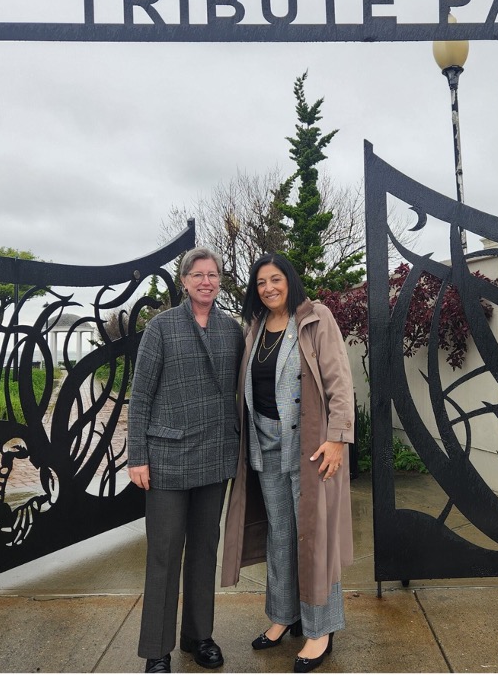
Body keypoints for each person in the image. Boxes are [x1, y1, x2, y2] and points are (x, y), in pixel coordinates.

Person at [220, 253, 355, 674]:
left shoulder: (316, 319)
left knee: (313, 539)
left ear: (289, 280)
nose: (268, 288)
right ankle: (284, 616)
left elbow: (339, 381)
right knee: (281, 535)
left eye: (275, 279)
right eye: (260, 283)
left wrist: (337, 439)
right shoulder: (255, 328)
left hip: (310, 447)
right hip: (264, 446)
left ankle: (321, 630)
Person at [127, 247, 245, 674]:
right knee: (163, 554)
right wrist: (136, 456)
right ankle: (156, 651)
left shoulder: (232, 330)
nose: (206, 282)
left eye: (213, 274)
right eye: (198, 275)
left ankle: (198, 636)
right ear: (184, 281)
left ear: (219, 280)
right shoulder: (161, 327)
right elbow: (140, 397)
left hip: (215, 456)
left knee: (203, 552)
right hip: (168, 458)